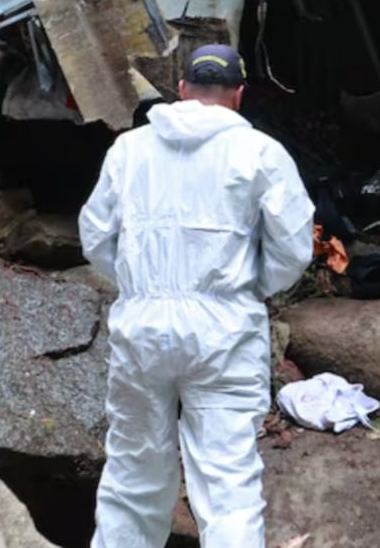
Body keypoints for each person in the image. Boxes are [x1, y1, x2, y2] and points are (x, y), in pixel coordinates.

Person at [78, 43, 316, 548]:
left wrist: (139, 287)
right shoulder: (261, 153)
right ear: (239, 94)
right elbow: (294, 250)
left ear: (182, 89)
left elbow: (96, 236)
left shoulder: (129, 150)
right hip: (224, 333)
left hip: (142, 330)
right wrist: (250, 287)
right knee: (228, 485)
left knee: (131, 477)